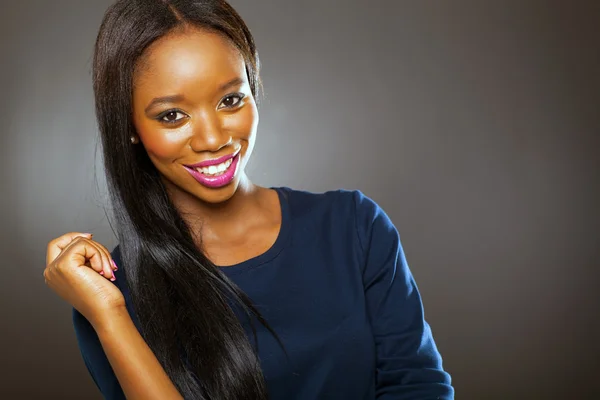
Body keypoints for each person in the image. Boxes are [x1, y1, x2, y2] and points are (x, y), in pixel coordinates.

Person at [43, 0, 454, 399]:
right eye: (172, 115)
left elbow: (418, 386)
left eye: (230, 100)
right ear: (130, 126)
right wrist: (109, 315)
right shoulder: (112, 293)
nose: (213, 139)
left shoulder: (353, 227)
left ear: (253, 90)